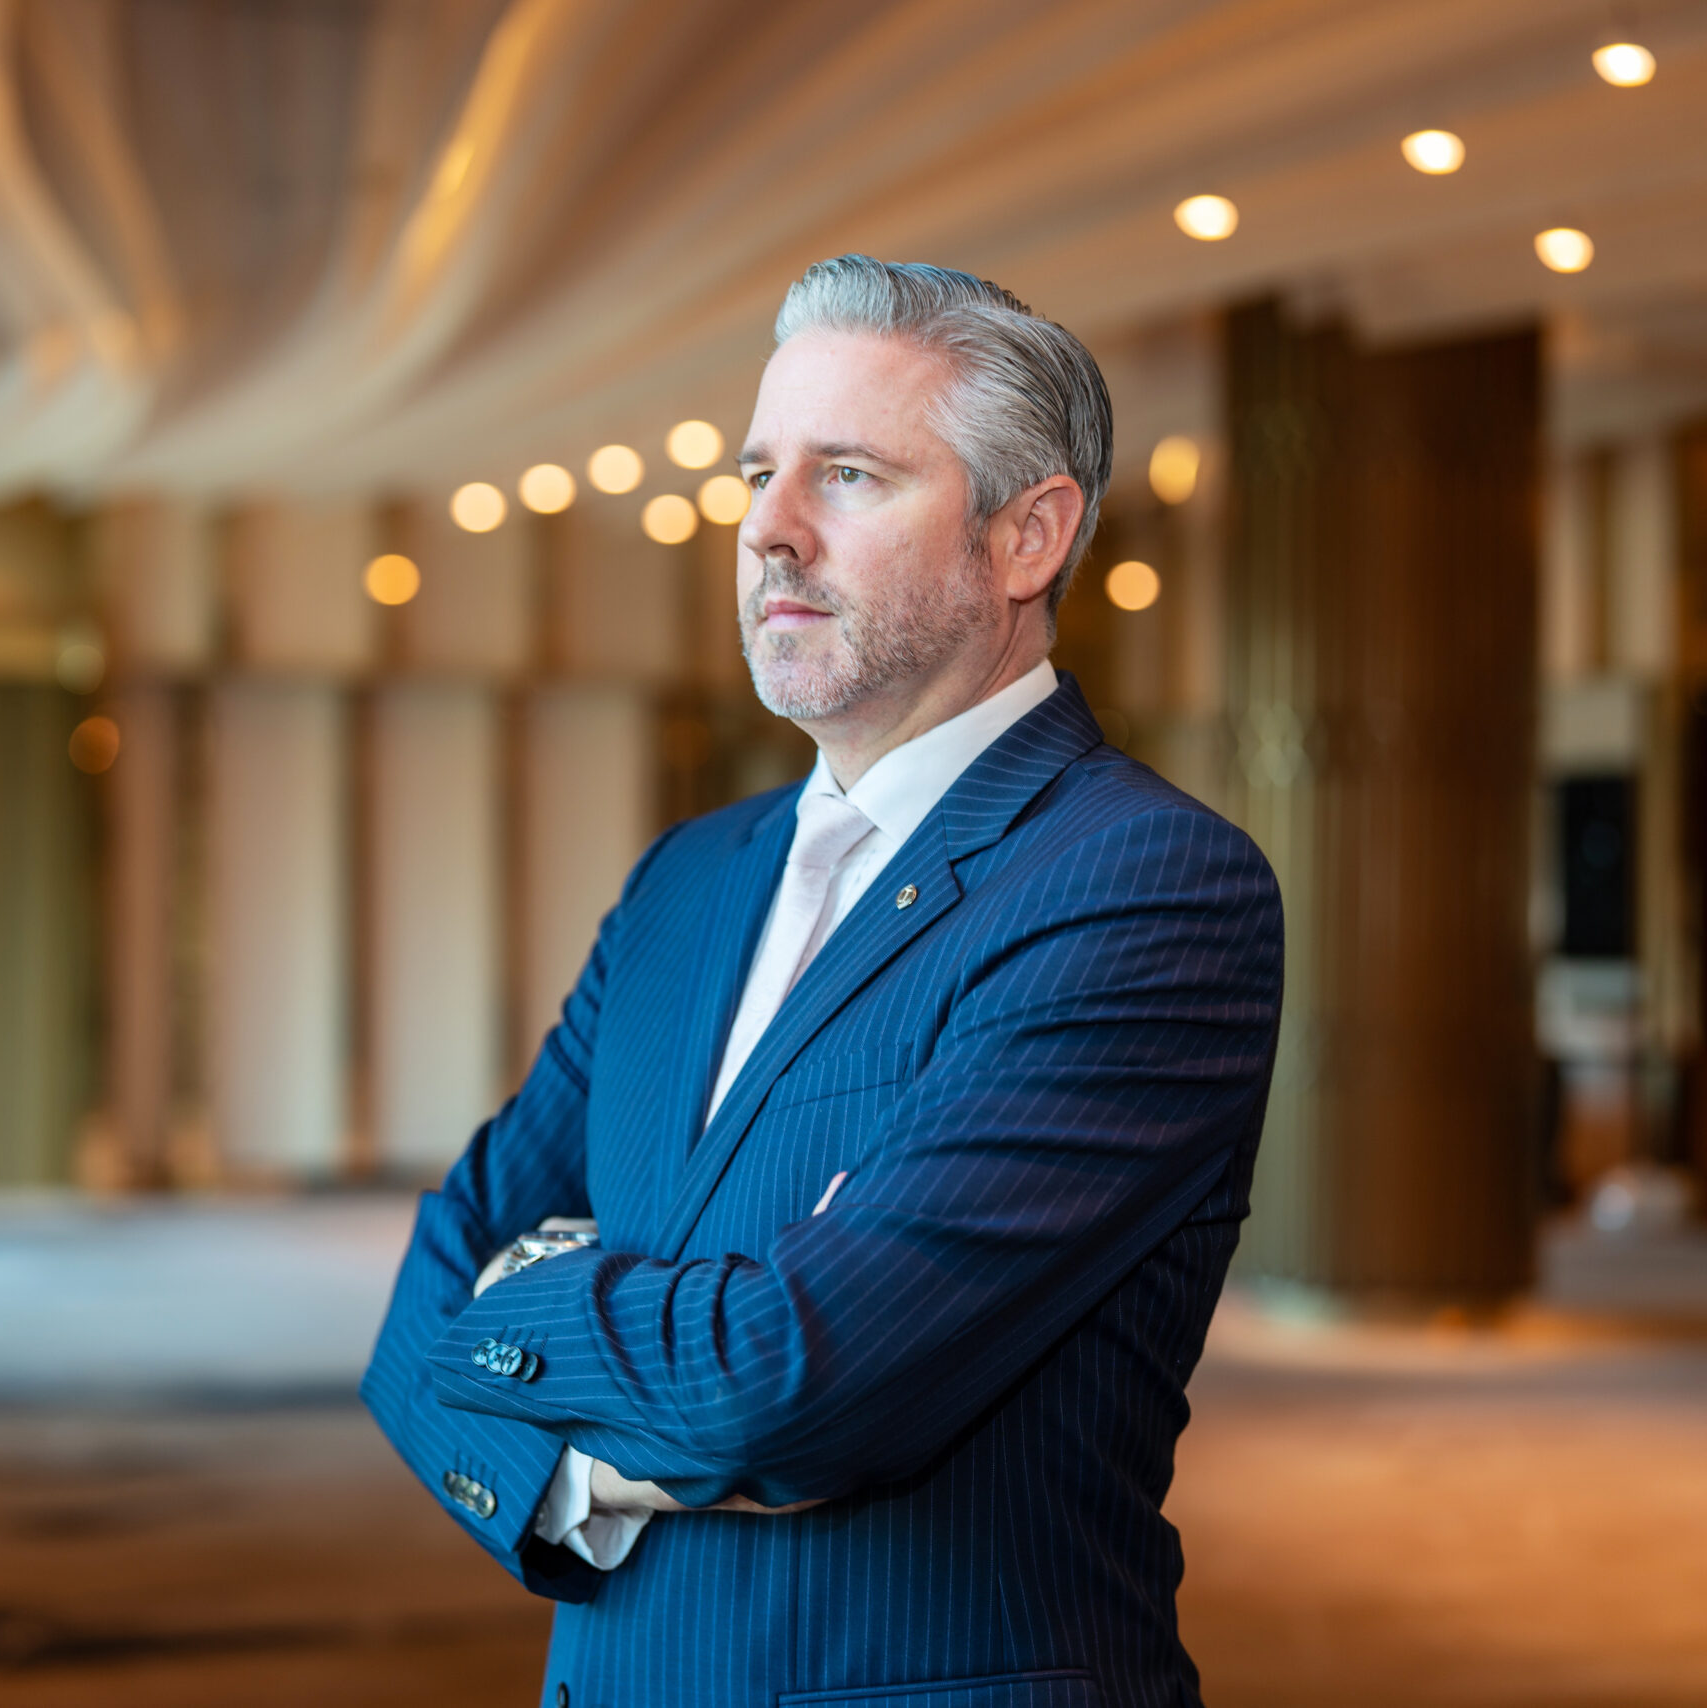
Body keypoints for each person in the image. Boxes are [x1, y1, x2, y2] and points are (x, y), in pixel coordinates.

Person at [361, 255, 1283, 1708]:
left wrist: (534, 1299)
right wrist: (593, 1478)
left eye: (848, 475)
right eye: (758, 474)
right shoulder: (684, 882)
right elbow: (429, 1287)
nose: (767, 531)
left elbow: (795, 1381)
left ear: (1027, 536)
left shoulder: (1143, 886)